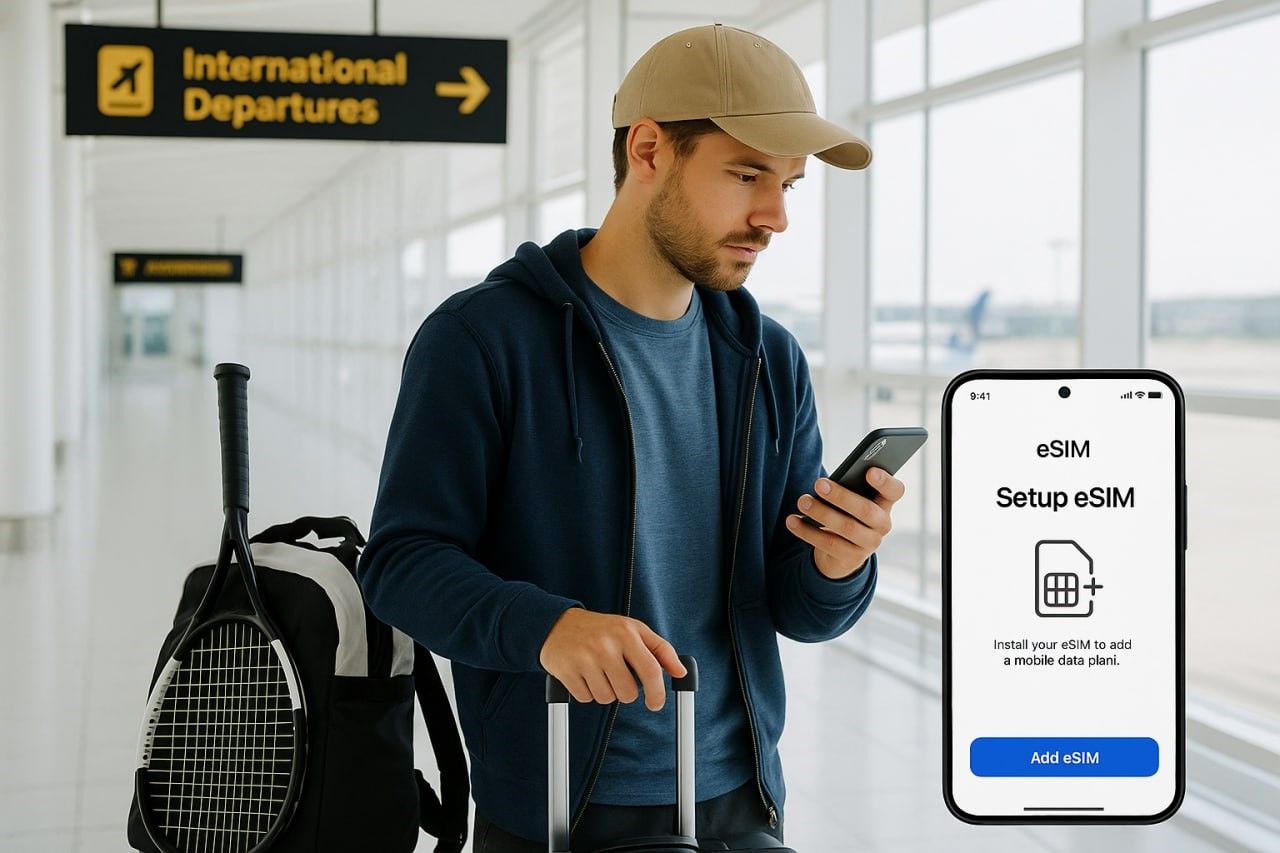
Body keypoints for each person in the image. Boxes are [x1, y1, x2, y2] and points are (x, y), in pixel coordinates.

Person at [359, 22, 905, 852]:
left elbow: (797, 606)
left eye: (789, 184)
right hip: (557, 806)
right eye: (747, 174)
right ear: (648, 149)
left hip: (740, 796)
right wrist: (547, 626)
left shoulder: (768, 360)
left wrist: (840, 561)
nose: (775, 216)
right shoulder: (483, 339)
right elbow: (400, 565)